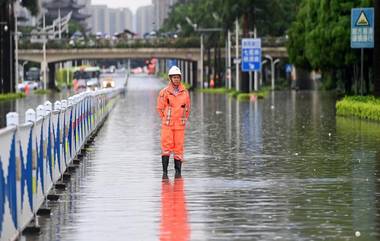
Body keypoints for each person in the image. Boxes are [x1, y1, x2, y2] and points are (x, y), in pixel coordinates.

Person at [157, 66, 191, 178]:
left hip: (180, 126)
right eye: (174, 77)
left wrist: (183, 120)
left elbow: (187, 108)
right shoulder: (164, 92)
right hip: (168, 125)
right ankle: (165, 173)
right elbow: (160, 108)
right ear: (170, 78)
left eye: (178, 77)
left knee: (179, 149)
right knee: (166, 148)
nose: (176, 79)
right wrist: (166, 119)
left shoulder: (185, 92)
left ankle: (178, 173)